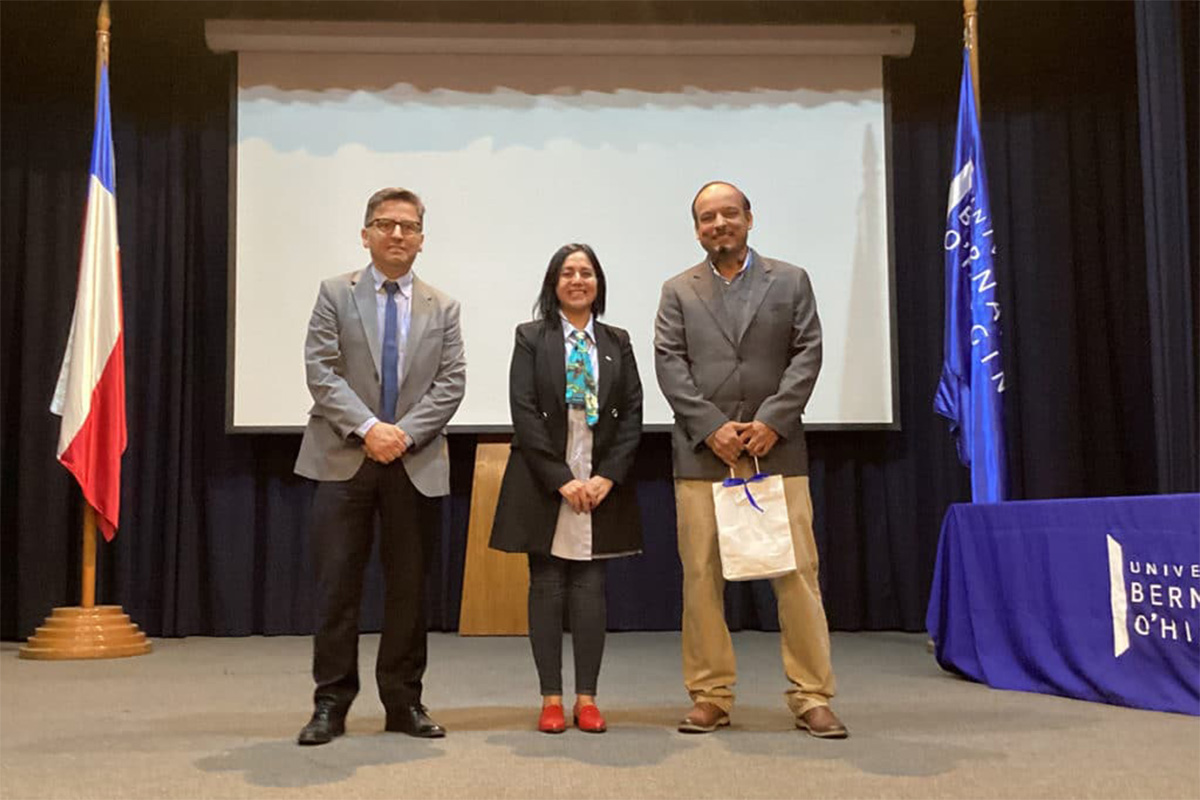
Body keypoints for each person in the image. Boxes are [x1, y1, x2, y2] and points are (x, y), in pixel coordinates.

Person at [653, 181, 847, 739]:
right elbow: (669, 363)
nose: (719, 224)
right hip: (703, 456)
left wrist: (771, 421)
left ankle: (812, 695)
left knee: (797, 577)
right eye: (707, 217)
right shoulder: (677, 291)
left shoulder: (790, 280)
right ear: (696, 229)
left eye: (729, 214)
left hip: (776, 451)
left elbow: (808, 352)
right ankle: (711, 694)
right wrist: (712, 427)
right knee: (701, 578)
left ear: (749, 218)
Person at [293, 187, 466, 745]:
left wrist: (403, 435)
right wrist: (370, 429)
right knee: (336, 587)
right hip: (344, 456)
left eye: (408, 226)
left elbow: (451, 384)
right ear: (365, 233)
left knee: (408, 590)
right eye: (385, 224)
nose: (397, 234)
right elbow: (321, 370)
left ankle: (403, 703)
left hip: (413, 461)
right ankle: (330, 703)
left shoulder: (444, 306)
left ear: (422, 239)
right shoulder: (333, 294)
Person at [489, 243, 643, 734]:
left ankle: (588, 698)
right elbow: (525, 411)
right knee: (547, 586)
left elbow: (633, 415)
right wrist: (562, 480)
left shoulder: (618, 341)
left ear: (599, 284)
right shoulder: (532, 337)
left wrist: (605, 478)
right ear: (553, 283)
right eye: (568, 272)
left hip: (599, 482)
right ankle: (551, 698)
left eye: (587, 273)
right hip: (546, 480)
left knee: (591, 588)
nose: (578, 280)